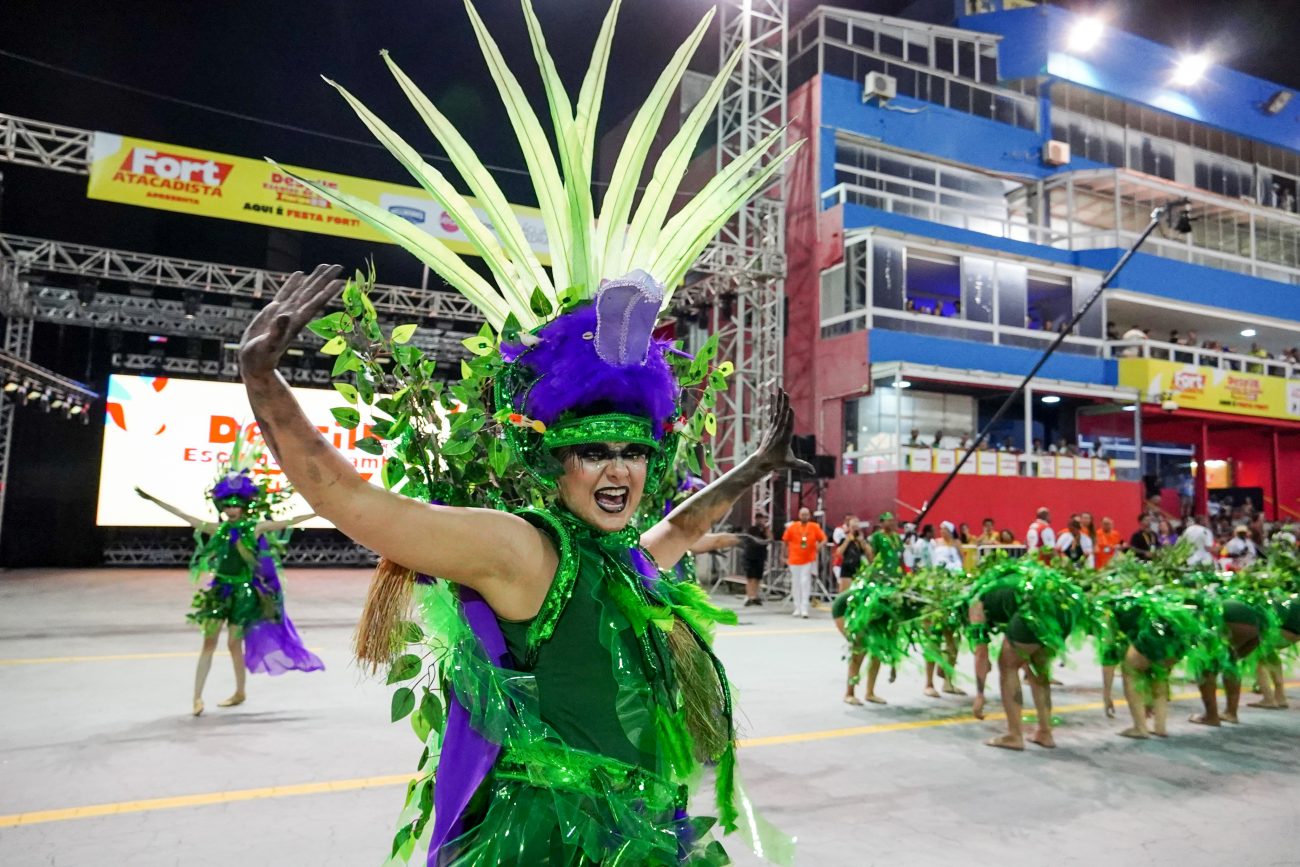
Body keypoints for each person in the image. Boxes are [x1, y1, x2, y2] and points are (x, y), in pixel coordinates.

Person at [234, 7, 809, 859]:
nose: (617, 471)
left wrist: (757, 465)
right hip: (546, 843)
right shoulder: (525, 553)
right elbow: (356, 502)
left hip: (645, 832)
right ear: (556, 463)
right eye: (594, 452)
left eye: (632, 453)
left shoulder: (625, 562)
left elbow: (682, 527)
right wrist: (266, 387)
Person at [135, 443, 321, 716]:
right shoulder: (218, 529)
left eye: (237, 506)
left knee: (234, 643)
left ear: (244, 507)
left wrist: (322, 510)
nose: (232, 511)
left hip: (244, 594)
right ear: (222, 506)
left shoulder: (254, 528)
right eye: (228, 506)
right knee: (208, 642)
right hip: (219, 590)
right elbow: (185, 516)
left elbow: (289, 521)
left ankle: (240, 691)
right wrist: (153, 500)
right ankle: (197, 698)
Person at [967, 560, 1086, 749]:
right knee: (1038, 667)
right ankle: (1045, 733)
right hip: (1067, 607)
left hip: (1036, 607)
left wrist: (980, 695)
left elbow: (981, 653)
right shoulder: (1009, 580)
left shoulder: (975, 601)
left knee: (1008, 665)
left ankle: (1014, 736)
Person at [783, 507, 827, 618]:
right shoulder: (792, 527)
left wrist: (818, 547)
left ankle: (804, 608)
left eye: (806, 514)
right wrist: (783, 555)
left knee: (805, 582)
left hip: (808, 559)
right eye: (802, 514)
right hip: (794, 559)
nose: (804, 517)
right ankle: (797, 607)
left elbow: (824, 539)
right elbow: (785, 541)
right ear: (799, 515)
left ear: (809, 516)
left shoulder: (814, 527)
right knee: (795, 583)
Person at [740, 516, 770, 607]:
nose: (761, 521)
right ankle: (749, 596)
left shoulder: (765, 530)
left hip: (760, 557)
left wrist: (766, 529)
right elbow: (756, 541)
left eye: (763, 519)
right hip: (750, 556)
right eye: (759, 519)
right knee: (750, 578)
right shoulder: (752, 529)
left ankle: (755, 596)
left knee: (757, 578)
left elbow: (770, 538)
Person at [835, 516, 870, 592]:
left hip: (858, 568)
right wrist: (847, 540)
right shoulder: (844, 539)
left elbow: (869, 553)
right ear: (849, 528)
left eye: (856, 527)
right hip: (847, 568)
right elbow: (839, 553)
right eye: (853, 527)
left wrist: (862, 541)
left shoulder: (861, 540)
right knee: (845, 593)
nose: (855, 529)